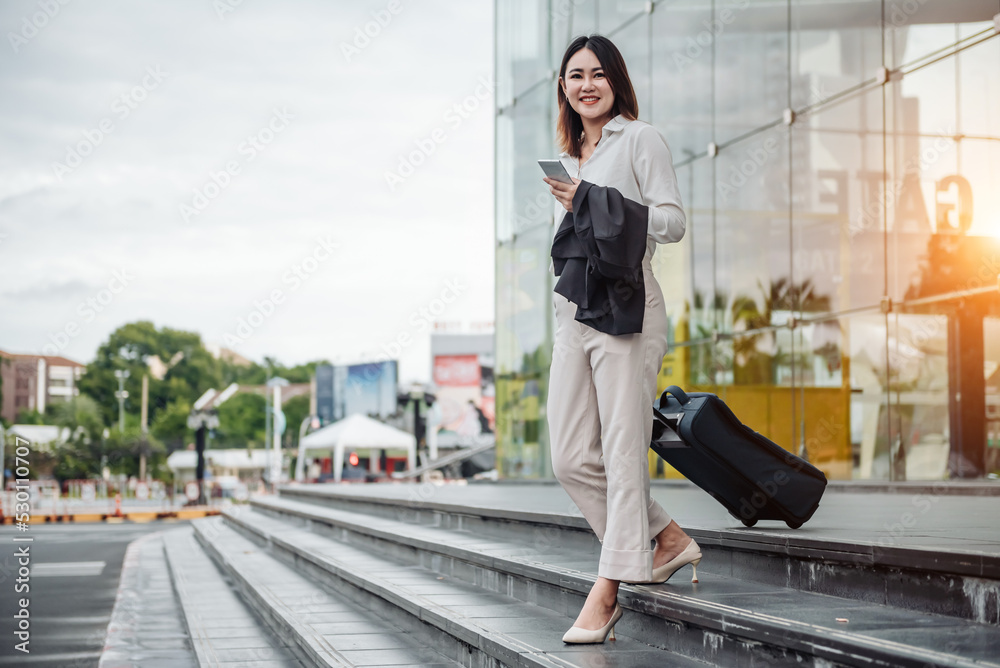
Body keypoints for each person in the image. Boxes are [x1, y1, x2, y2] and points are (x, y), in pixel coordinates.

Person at [544, 34, 702, 645]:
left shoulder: (640, 139)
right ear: (563, 88)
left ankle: (609, 589)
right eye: (576, 75)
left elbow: (672, 221)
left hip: (629, 309)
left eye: (598, 74)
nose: (587, 84)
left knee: (620, 449)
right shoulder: (566, 163)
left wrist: (599, 200)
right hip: (573, 316)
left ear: (616, 81)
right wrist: (578, 195)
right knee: (569, 457)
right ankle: (665, 537)